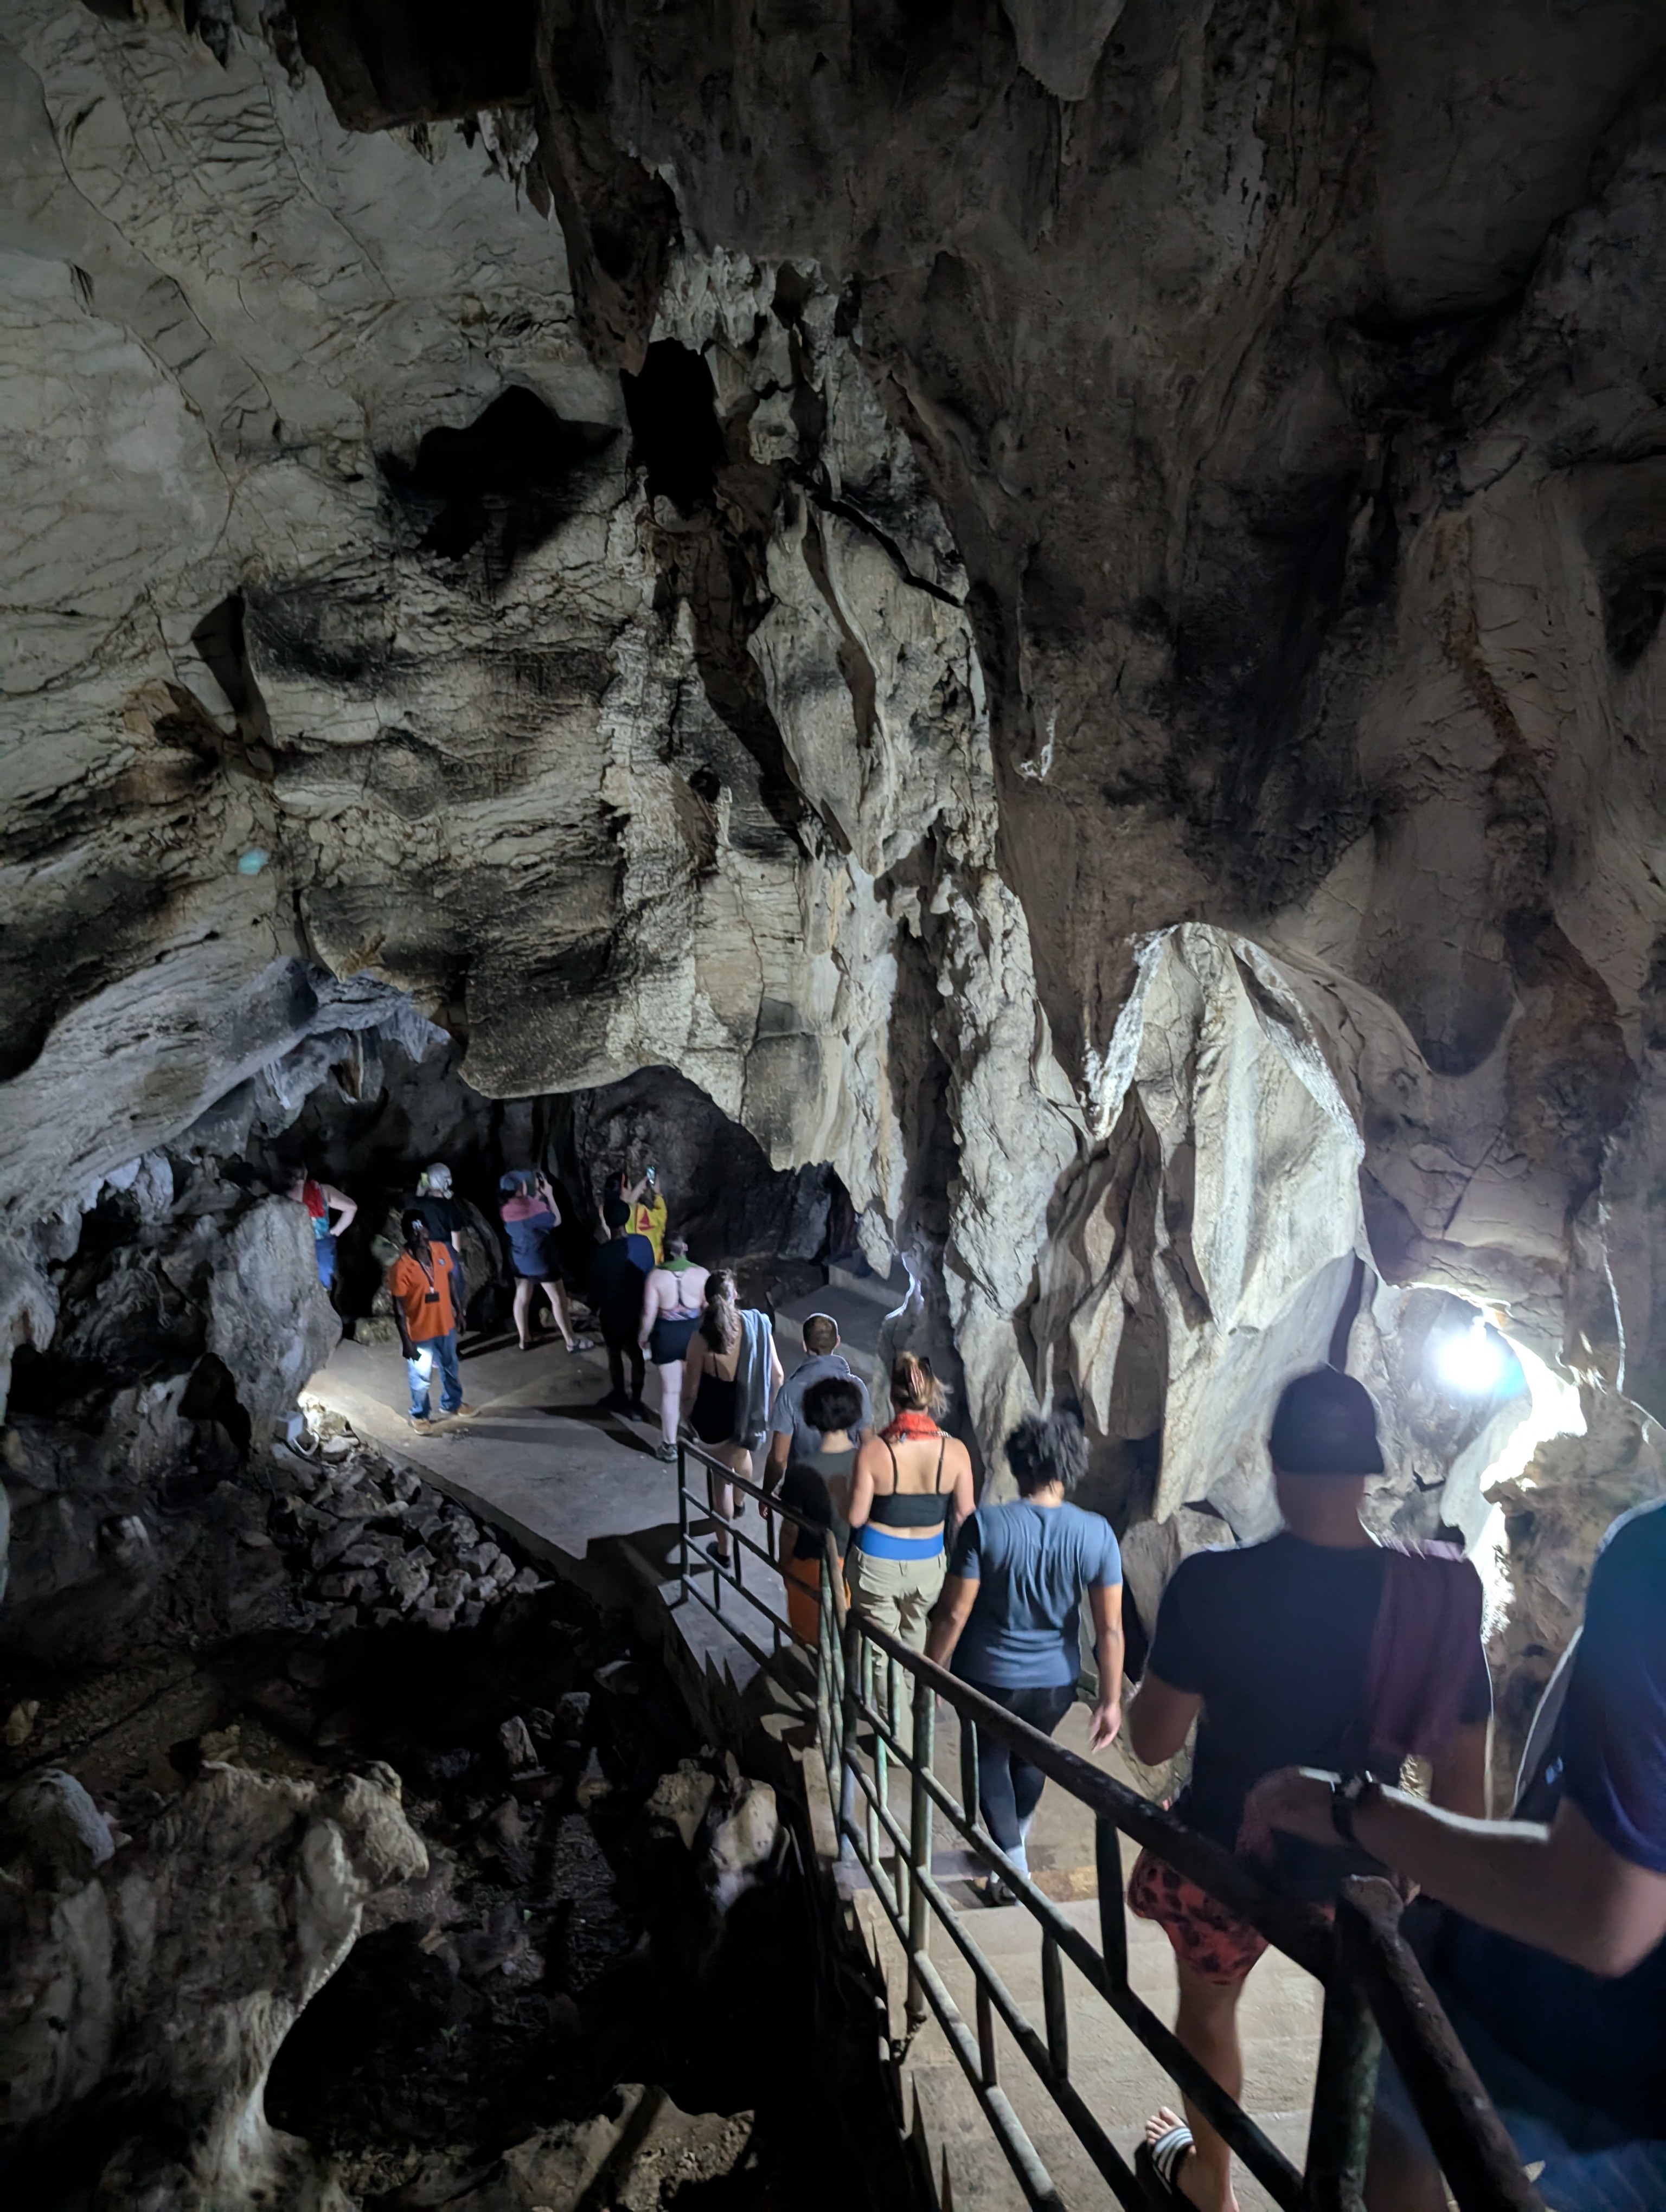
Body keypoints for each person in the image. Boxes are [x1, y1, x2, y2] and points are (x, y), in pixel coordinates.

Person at [1125, 1367, 1491, 2212]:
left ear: (1273, 1460)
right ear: (1370, 1468)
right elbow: (1466, 1802)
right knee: (1369, 2039)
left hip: (1227, 1863)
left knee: (1209, 2012)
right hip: (1366, 1872)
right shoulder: (1435, 1599)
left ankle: (1210, 2185)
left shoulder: (1213, 1586)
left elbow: (1153, 1741)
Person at [1245, 1494, 1666, 2212]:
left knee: (1396, 2026)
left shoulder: (1652, 1558)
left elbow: (1602, 1914)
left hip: (1601, 2057)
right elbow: (1468, 1784)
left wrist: (1353, 1808)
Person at [926, 1411, 1124, 1904]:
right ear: (1071, 1467)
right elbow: (1111, 1630)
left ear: (1018, 1466)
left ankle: (1013, 1868)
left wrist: (931, 1671)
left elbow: (953, 1613)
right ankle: (1010, 1850)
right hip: (1056, 1681)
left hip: (988, 1675)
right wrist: (1111, 1699)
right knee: (1031, 1757)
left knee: (990, 1760)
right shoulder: (1097, 1533)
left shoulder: (986, 1527)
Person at [845, 1353, 975, 1656]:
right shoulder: (955, 1451)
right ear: (930, 1396)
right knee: (915, 1636)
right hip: (929, 1566)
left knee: (879, 1650)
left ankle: (893, 1705)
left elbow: (855, 1517)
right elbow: (964, 1515)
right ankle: (910, 1697)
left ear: (893, 1397)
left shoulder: (874, 1451)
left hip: (878, 1566)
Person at [681, 1268, 784, 1561]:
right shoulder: (756, 1326)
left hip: (714, 1420)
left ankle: (724, 1553)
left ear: (707, 1301)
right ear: (735, 1295)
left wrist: (685, 1419)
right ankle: (740, 1503)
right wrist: (768, 1409)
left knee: (720, 1483)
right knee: (742, 1456)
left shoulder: (702, 1339)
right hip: (747, 1411)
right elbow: (777, 1374)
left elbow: (691, 1391)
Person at [777, 1375, 863, 1645]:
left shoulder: (802, 1471)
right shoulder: (868, 1464)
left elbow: (790, 1529)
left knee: (812, 1639)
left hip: (813, 1568)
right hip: (858, 1569)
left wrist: (784, 1564)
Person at [764, 1314, 874, 1493]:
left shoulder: (790, 1391)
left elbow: (779, 1459)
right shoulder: (857, 1387)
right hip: (845, 1487)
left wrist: (766, 1492)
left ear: (804, 1345)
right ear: (837, 1341)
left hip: (803, 1489)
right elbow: (868, 1444)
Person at [388, 1211, 471, 1427]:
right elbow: (398, 1308)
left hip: (445, 1323)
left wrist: (459, 1312)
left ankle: (452, 1402)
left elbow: (450, 1280)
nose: (420, 1235)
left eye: (422, 1229)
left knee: (450, 1366)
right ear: (406, 1234)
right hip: (419, 1330)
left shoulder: (441, 1250)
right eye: (414, 1231)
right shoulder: (401, 1268)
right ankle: (420, 1414)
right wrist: (406, 1341)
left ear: (428, 1229)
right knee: (421, 1376)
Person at [498, 1169, 593, 1355]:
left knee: (522, 1296)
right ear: (521, 1187)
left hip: (519, 1259)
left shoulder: (504, 1208)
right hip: (540, 1261)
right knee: (558, 1300)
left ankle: (524, 1338)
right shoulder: (532, 1207)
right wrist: (548, 1195)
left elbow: (528, 1215)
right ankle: (571, 1341)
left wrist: (537, 1199)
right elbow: (555, 1220)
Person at [639, 1235, 709, 1462]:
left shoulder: (656, 1277)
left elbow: (649, 1314)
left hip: (666, 1337)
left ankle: (669, 1447)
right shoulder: (702, 1274)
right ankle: (698, 1433)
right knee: (694, 1388)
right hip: (695, 1336)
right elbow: (709, 1309)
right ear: (685, 1248)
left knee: (671, 1391)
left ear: (664, 1250)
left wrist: (643, 1337)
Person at [589, 1194, 649, 1417]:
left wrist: (594, 1307)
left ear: (607, 1222)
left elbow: (595, 1287)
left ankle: (619, 1394)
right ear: (627, 1218)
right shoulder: (643, 1243)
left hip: (613, 1312)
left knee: (614, 1353)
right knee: (636, 1354)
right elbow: (649, 1273)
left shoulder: (601, 1255)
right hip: (639, 1308)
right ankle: (636, 1401)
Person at [409, 1163, 467, 1329]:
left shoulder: (416, 1204)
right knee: (452, 1295)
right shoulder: (449, 1207)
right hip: (444, 1251)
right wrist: (457, 1256)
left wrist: (421, 1190)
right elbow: (456, 1239)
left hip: (423, 1252)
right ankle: (450, 1340)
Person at [287, 1167, 356, 1291]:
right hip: (322, 1246)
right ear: (305, 1173)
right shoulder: (321, 1191)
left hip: (291, 1249)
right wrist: (335, 1231)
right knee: (322, 1284)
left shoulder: (274, 1198)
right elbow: (351, 1207)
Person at [621, 1166, 668, 1264]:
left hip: (635, 1268)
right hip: (656, 1265)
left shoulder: (618, 1218)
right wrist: (658, 1193)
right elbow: (662, 1217)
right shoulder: (643, 1213)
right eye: (628, 1188)